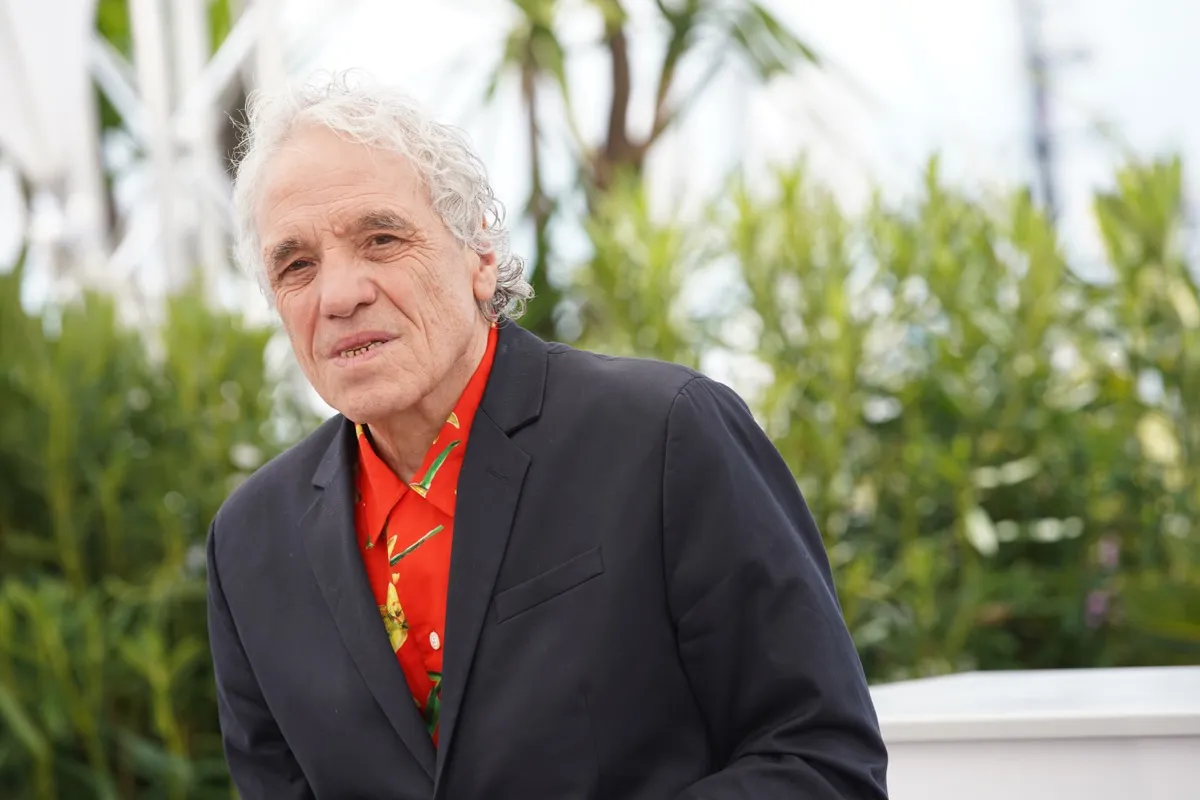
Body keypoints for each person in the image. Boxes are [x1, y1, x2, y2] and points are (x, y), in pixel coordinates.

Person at [206, 70, 889, 800]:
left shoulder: (663, 436)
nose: (340, 295)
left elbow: (823, 760)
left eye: (381, 239)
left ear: (480, 256)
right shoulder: (250, 545)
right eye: (297, 265)